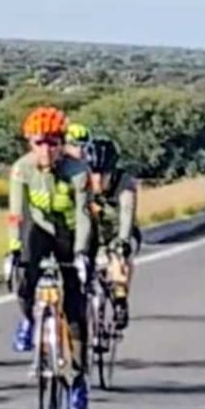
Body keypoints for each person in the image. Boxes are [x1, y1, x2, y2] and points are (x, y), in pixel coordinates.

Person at [6, 106, 92, 409]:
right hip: (40, 229)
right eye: (39, 142)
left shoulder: (78, 171)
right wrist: (14, 249)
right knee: (25, 271)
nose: (46, 149)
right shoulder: (22, 169)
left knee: (75, 308)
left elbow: (83, 217)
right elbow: (16, 213)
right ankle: (29, 319)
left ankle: (80, 379)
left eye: (53, 142)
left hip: (71, 233)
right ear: (30, 143)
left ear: (62, 143)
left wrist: (82, 254)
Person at [86, 138, 137, 330]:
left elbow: (127, 213)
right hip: (93, 235)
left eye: (104, 174)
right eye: (94, 173)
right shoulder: (81, 182)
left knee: (119, 262)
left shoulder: (125, 184)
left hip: (118, 234)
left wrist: (122, 243)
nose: (98, 180)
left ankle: (120, 301)